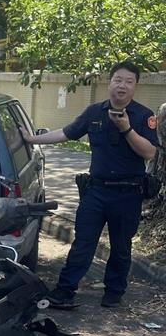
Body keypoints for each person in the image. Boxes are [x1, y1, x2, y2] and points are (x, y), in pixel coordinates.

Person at [21, 60, 158, 309]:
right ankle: (65, 290)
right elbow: (65, 133)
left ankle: (114, 292)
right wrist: (31, 139)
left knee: (121, 246)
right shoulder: (94, 112)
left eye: (129, 81)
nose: (122, 85)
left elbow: (149, 152)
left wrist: (126, 128)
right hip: (96, 191)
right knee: (83, 242)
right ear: (110, 82)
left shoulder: (144, 116)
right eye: (118, 80)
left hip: (128, 193)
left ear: (135, 86)